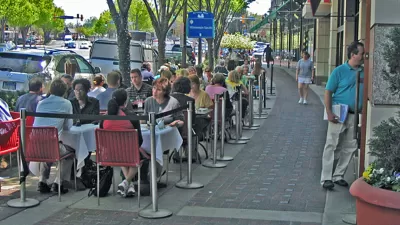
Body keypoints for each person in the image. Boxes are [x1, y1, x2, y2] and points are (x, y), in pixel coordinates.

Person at [321, 41, 365, 190]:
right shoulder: (339, 71)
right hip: (339, 111)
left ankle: (338, 175)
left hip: (354, 113)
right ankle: (326, 178)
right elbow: (328, 92)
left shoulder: (364, 72)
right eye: (362, 54)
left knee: (350, 146)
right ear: (353, 55)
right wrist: (329, 112)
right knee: (332, 144)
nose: (364, 56)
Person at [34, 79, 75, 194]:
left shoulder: (41, 103)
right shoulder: (67, 103)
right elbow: (68, 127)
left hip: (35, 145)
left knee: (48, 148)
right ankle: (59, 182)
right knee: (69, 153)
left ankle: (42, 180)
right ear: (64, 91)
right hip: (52, 144)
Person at [100, 89, 143, 197]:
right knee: (139, 156)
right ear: (126, 101)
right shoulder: (131, 117)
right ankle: (126, 182)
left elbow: (102, 138)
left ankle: (129, 185)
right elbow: (139, 141)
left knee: (122, 154)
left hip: (111, 154)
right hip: (129, 153)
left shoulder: (104, 118)